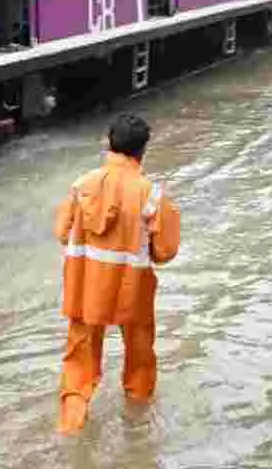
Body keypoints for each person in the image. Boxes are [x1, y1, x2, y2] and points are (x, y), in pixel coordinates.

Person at [52, 114, 181, 435]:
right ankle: (138, 428)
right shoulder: (151, 194)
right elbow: (165, 252)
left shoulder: (81, 186)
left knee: (79, 361)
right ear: (143, 151)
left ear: (109, 143)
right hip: (132, 291)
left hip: (84, 289)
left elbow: (60, 232)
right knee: (139, 356)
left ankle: (71, 430)